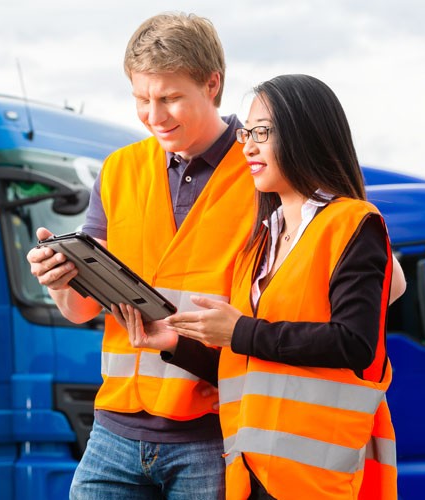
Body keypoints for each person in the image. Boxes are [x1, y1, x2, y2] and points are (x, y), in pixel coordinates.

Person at [118, 74, 399, 499]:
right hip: (250, 474)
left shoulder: (352, 223)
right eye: (246, 132)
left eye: (261, 133)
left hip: (314, 481)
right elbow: (248, 368)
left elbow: (355, 344)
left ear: (305, 134)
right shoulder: (260, 244)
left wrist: (240, 331)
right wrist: (177, 344)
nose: (246, 145)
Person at [27, 12, 258, 499]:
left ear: (212, 84)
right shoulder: (118, 171)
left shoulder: (262, 172)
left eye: (170, 98)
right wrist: (59, 281)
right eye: (141, 99)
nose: (154, 115)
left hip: (211, 432)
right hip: (113, 432)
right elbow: (81, 310)